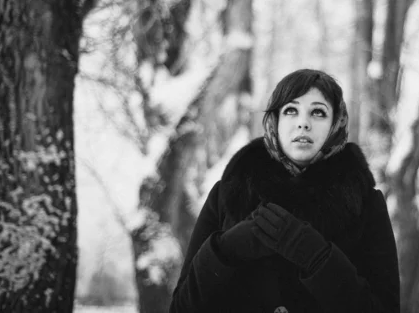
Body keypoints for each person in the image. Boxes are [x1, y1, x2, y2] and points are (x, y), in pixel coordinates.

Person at [169, 68, 401, 313]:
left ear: (336, 124)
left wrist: (318, 258)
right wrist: (227, 250)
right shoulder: (228, 194)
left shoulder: (365, 203)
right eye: (291, 110)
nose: (303, 123)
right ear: (275, 122)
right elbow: (181, 308)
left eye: (318, 112)